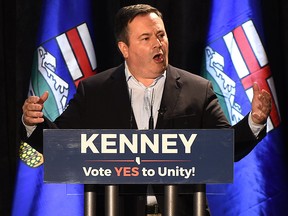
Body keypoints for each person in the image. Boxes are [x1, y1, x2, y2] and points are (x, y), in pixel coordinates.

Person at [22, 4, 272, 216]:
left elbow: (224, 149)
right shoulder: (94, 91)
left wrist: (255, 121)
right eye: (146, 38)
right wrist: (34, 123)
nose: (158, 44)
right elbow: (59, 147)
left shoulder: (198, 89)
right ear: (124, 49)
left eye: (161, 35)